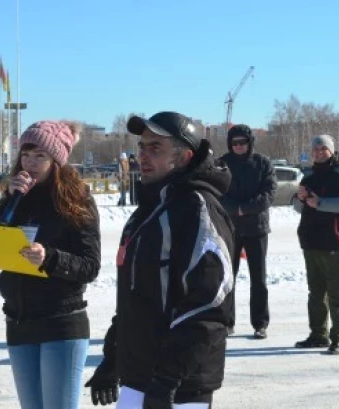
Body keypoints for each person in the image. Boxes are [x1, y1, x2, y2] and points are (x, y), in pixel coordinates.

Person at [86, 112, 234, 409]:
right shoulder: (151, 209)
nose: (143, 155)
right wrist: (114, 359)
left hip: (180, 386)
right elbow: (136, 297)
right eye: (141, 147)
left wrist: (168, 380)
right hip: (140, 377)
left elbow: (209, 307)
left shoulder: (197, 208)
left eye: (156, 148)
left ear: (183, 157)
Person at [0, 120, 101, 409]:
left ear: (56, 160)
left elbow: (90, 265)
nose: (30, 163)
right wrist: (9, 202)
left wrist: (50, 257)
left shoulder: (76, 200)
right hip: (20, 321)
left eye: (39, 156)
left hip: (61, 322)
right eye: (26, 155)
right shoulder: (17, 198)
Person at [292, 135, 339, 355]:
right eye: (316, 149)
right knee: (315, 292)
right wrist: (301, 199)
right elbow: (299, 207)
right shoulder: (309, 175)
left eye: (324, 149)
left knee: (335, 292)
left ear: (332, 151)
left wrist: (320, 203)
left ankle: (338, 337)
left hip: (333, 241)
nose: (319, 152)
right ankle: (317, 334)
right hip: (310, 241)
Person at [219, 124, 276, 339]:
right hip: (230, 228)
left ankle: (260, 323)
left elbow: (269, 192)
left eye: (243, 142)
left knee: (258, 278)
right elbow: (217, 191)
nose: (239, 146)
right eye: (235, 143)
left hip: (257, 228)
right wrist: (234, 209)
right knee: (227, 277)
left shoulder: (262, 163)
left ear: (250, 143)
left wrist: (246, 208)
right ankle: (226, 321)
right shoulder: (223, 163)